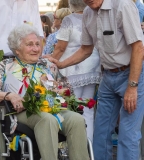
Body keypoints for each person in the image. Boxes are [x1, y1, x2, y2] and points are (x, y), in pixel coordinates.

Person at [48, 0, 144, 159]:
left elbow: (139, 47)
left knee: (127, 135)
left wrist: (132, 86)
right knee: (101, 133)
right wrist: (61, 63)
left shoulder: (123, 5)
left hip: (132, 74)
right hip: (108, 76)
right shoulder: (87, 13)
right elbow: (86, 49)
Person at [0, 24, 89, 160]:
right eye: (30, 45)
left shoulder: (47, 65)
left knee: (77, 120)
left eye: (37, 44)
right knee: (47, 120)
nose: (35, 49)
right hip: (23, 112)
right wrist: (10, 96)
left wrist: (57, 88)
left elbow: (68, 90)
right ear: (17, 49)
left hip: (53, 108)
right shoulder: (6, 66)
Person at [46, 0, 101, 142]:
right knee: (88, 109)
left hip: (72, 67)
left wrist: (52, 61)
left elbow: (61, 47)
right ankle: (88, 145)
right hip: (93, 67)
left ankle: (74, 146)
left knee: (71, 108)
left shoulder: (69, 20)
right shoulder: (95, 15)